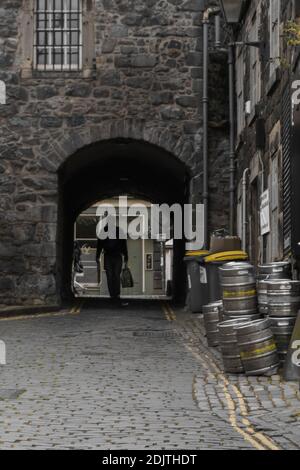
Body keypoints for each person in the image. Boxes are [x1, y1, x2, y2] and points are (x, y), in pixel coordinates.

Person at [96, 218, 129, 306]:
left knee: (113, 276)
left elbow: (123, 244)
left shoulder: (118, 231)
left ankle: (115, 295)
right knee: (112, 276)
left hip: (114, 256)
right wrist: (126, 256)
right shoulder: (106, 231)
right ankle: (113, 295)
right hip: (111, 256)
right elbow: (99, 245)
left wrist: (126, 256)